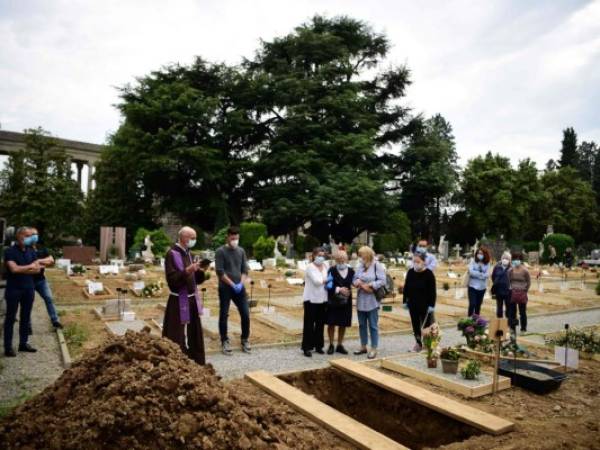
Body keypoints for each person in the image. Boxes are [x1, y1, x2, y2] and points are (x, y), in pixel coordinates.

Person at [163, 226, 208, 365]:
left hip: (192, 297)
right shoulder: (171, 254)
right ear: (183, 238)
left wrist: (201, 271)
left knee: (195, 330)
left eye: (195, 238)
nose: (194, 240)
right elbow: (172, 279)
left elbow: (197, 280)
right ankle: (176, 361)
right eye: (192, 238)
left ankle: (197, 359)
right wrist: (188, 270)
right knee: (175, 333)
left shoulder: (191, 254)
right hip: (178, 298)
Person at [3, 227, 41, 357]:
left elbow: (37, 270)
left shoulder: (31, 251)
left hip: (28, 288)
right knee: (10, 318)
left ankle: (23, 344)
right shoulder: (10, 251)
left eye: (31, 235)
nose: (30, 238)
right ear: (19, 236)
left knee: (26, 317)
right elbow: (13, 269)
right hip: (14, 289)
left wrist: (24, 268)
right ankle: (8, 347)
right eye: (27, 235)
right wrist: (30, 267)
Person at [215, 226, 251, 355]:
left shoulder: (241, 251)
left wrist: (240, 284)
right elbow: (220, 272)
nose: (235, 240)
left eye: (236, 238)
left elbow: (245, 270)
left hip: (239, 288)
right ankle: (224, 340)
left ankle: (245, 338)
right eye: (232, 238)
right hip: (225, 288)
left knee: (245, 314)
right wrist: (232, 284)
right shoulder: (220, 251)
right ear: (228, 237)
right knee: (224, 314)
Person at [353, 246, 386, 359]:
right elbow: (354, 279)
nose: (360, 257)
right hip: (361, 299)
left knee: (373, 325)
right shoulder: (360, 265)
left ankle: (374, 348)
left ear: (367, 255)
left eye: (361, 255)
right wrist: (357, 283)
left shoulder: (377, 265)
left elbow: (383, 281)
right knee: (362, 325)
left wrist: (371, 285)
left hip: (372, 299)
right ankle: (363, 346)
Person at [403, 251, 436, 352]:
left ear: (424, 262)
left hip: (425, 305)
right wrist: (405, 301)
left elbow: (432, 291)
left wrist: (432, 305)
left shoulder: (429, 274)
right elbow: (406, 288)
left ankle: (427, 345)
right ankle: (418, 343)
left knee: (426, 326)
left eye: (418, 261)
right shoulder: (410, 272)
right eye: (414, 261)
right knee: (415, 325)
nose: (416, 263)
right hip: (413, 304)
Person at [30, 228, 62, 329]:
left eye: (35, 235)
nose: (34, 237)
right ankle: (27, 325)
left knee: (49, 298)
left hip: (41, 280)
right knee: (28, 303)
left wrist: (37, 261)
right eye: (32, 235)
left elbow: (51, 260)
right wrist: (43, 262)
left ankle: (55, 320)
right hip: (28, 281)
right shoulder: (25, 249)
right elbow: (28, 264)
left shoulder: (41, 248)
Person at [325, 250, 353, 355]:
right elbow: (328, 286)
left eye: (343, 258)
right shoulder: (331, 270)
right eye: (339, 259)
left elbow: (354, 282)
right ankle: (331, 344)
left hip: (346, 301)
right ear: (336, 259)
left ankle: (339, 345)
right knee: (331, 323)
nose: (341, 261)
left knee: (343, 323)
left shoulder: (351, 271)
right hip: (333, 301)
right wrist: (339, 289)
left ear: (346, 259)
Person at [301, 247, 328, 357]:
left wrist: (326, 281)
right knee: (309, 324)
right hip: (311, 299)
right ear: (314, 255)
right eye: (319, 255)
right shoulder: (310, 267)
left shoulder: (326, 266)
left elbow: (329, 278)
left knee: (320, 323)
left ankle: (318, 346)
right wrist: (326, 280)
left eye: (323, 255)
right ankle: (307, 347)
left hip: (323, 299)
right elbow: (317, 282)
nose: (321, 257)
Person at [508, 251, 531, 333]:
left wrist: (525, 290)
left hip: (522, 293)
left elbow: (529, 282)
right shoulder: (510, 270)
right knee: (512, 312)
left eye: (518, 259)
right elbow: (509, 280)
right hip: (513, 293)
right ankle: (512, 328)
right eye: (515, 259)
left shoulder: (525, 270)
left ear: (521, 260)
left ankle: (523, 328)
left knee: (522, 312)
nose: (516, 260)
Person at [467, 246, 491, 316]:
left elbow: (487, 274)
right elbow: (471, 272)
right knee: (472, 304)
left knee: (478, 306)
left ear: (485, 255)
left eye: (481, 254)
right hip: (472, 286)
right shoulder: (473, 261)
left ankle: (477, 322)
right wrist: (481, 274)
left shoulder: (487, 263)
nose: (479, 255)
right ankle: (469, 320)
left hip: (482, 288)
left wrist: (476, 274)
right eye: (478, 253)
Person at [491, 252, 512, 319]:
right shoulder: (497, 267)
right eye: (503, 258)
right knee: (499, 308)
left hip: (508, 291)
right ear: (501, 259)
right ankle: (499, 323)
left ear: (509, 260)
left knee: (508, 307)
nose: (505, 260)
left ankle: (508, 323)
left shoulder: (511, 268)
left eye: (507, 258)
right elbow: (493, 277)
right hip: (498, 291)